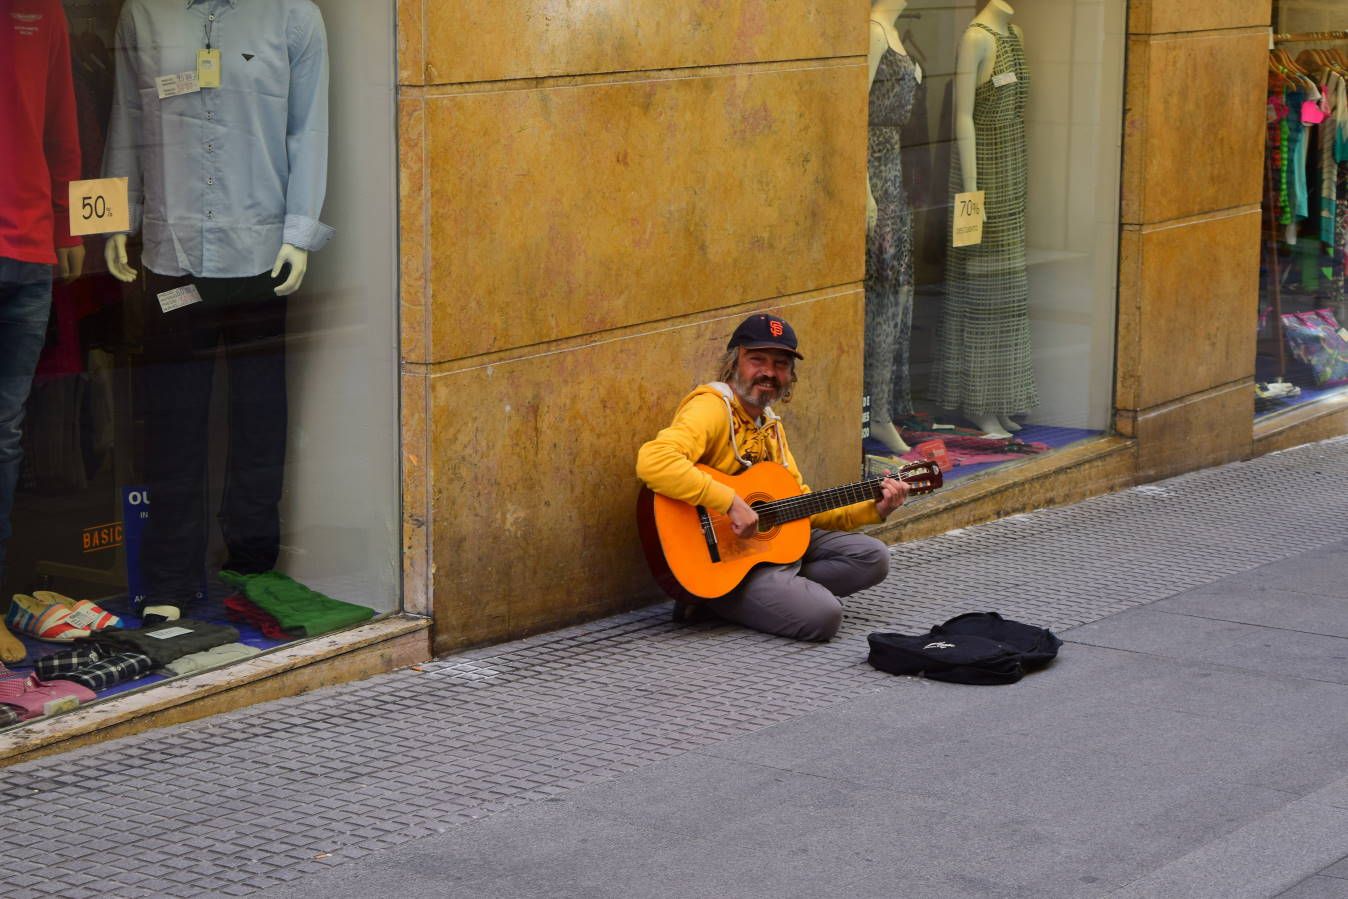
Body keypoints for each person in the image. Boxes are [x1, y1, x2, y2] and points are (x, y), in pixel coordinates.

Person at [636, 313, 908, 641]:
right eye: (757, 360)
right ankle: (715, 596)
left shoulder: (771, 426)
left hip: (766, 552)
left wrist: (874, 510)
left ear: (790, 376)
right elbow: (653, 461)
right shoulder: (711, 408)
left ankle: (774, 594)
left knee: (873, 557)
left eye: (781, 364)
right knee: (824, 615)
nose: (769, 372)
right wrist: (729, 502)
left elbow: (804, 505)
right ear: (733, 363)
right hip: (725, 558)